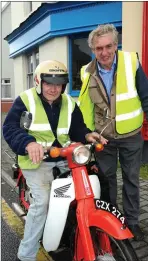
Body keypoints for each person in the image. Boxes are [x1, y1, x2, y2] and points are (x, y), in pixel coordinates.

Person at [3, 60, 108, 261]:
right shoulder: (25, 100)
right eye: (49, 83)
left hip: (65, 157)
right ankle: (25, 255)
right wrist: (28, 143)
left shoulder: (69, 102)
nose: (53, 88)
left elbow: (77, 127)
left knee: (94, 186)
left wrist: (87, 135)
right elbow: (10, 128)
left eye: (58, 84)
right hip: (37, 160)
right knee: (42, 202)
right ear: (38, 81)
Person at [78, 24, 148, 241]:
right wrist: (87, 133)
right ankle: (111, 221)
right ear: (93, 50)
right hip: (103, 138)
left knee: (131, 179)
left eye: (108, 46)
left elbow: (145, 96)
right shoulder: (86, 71)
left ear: (115, 45)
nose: (104, 52)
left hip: (131, 135)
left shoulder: (131, 62)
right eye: (99, 48)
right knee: (107, 180)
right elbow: (86, 106)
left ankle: (133, 223)